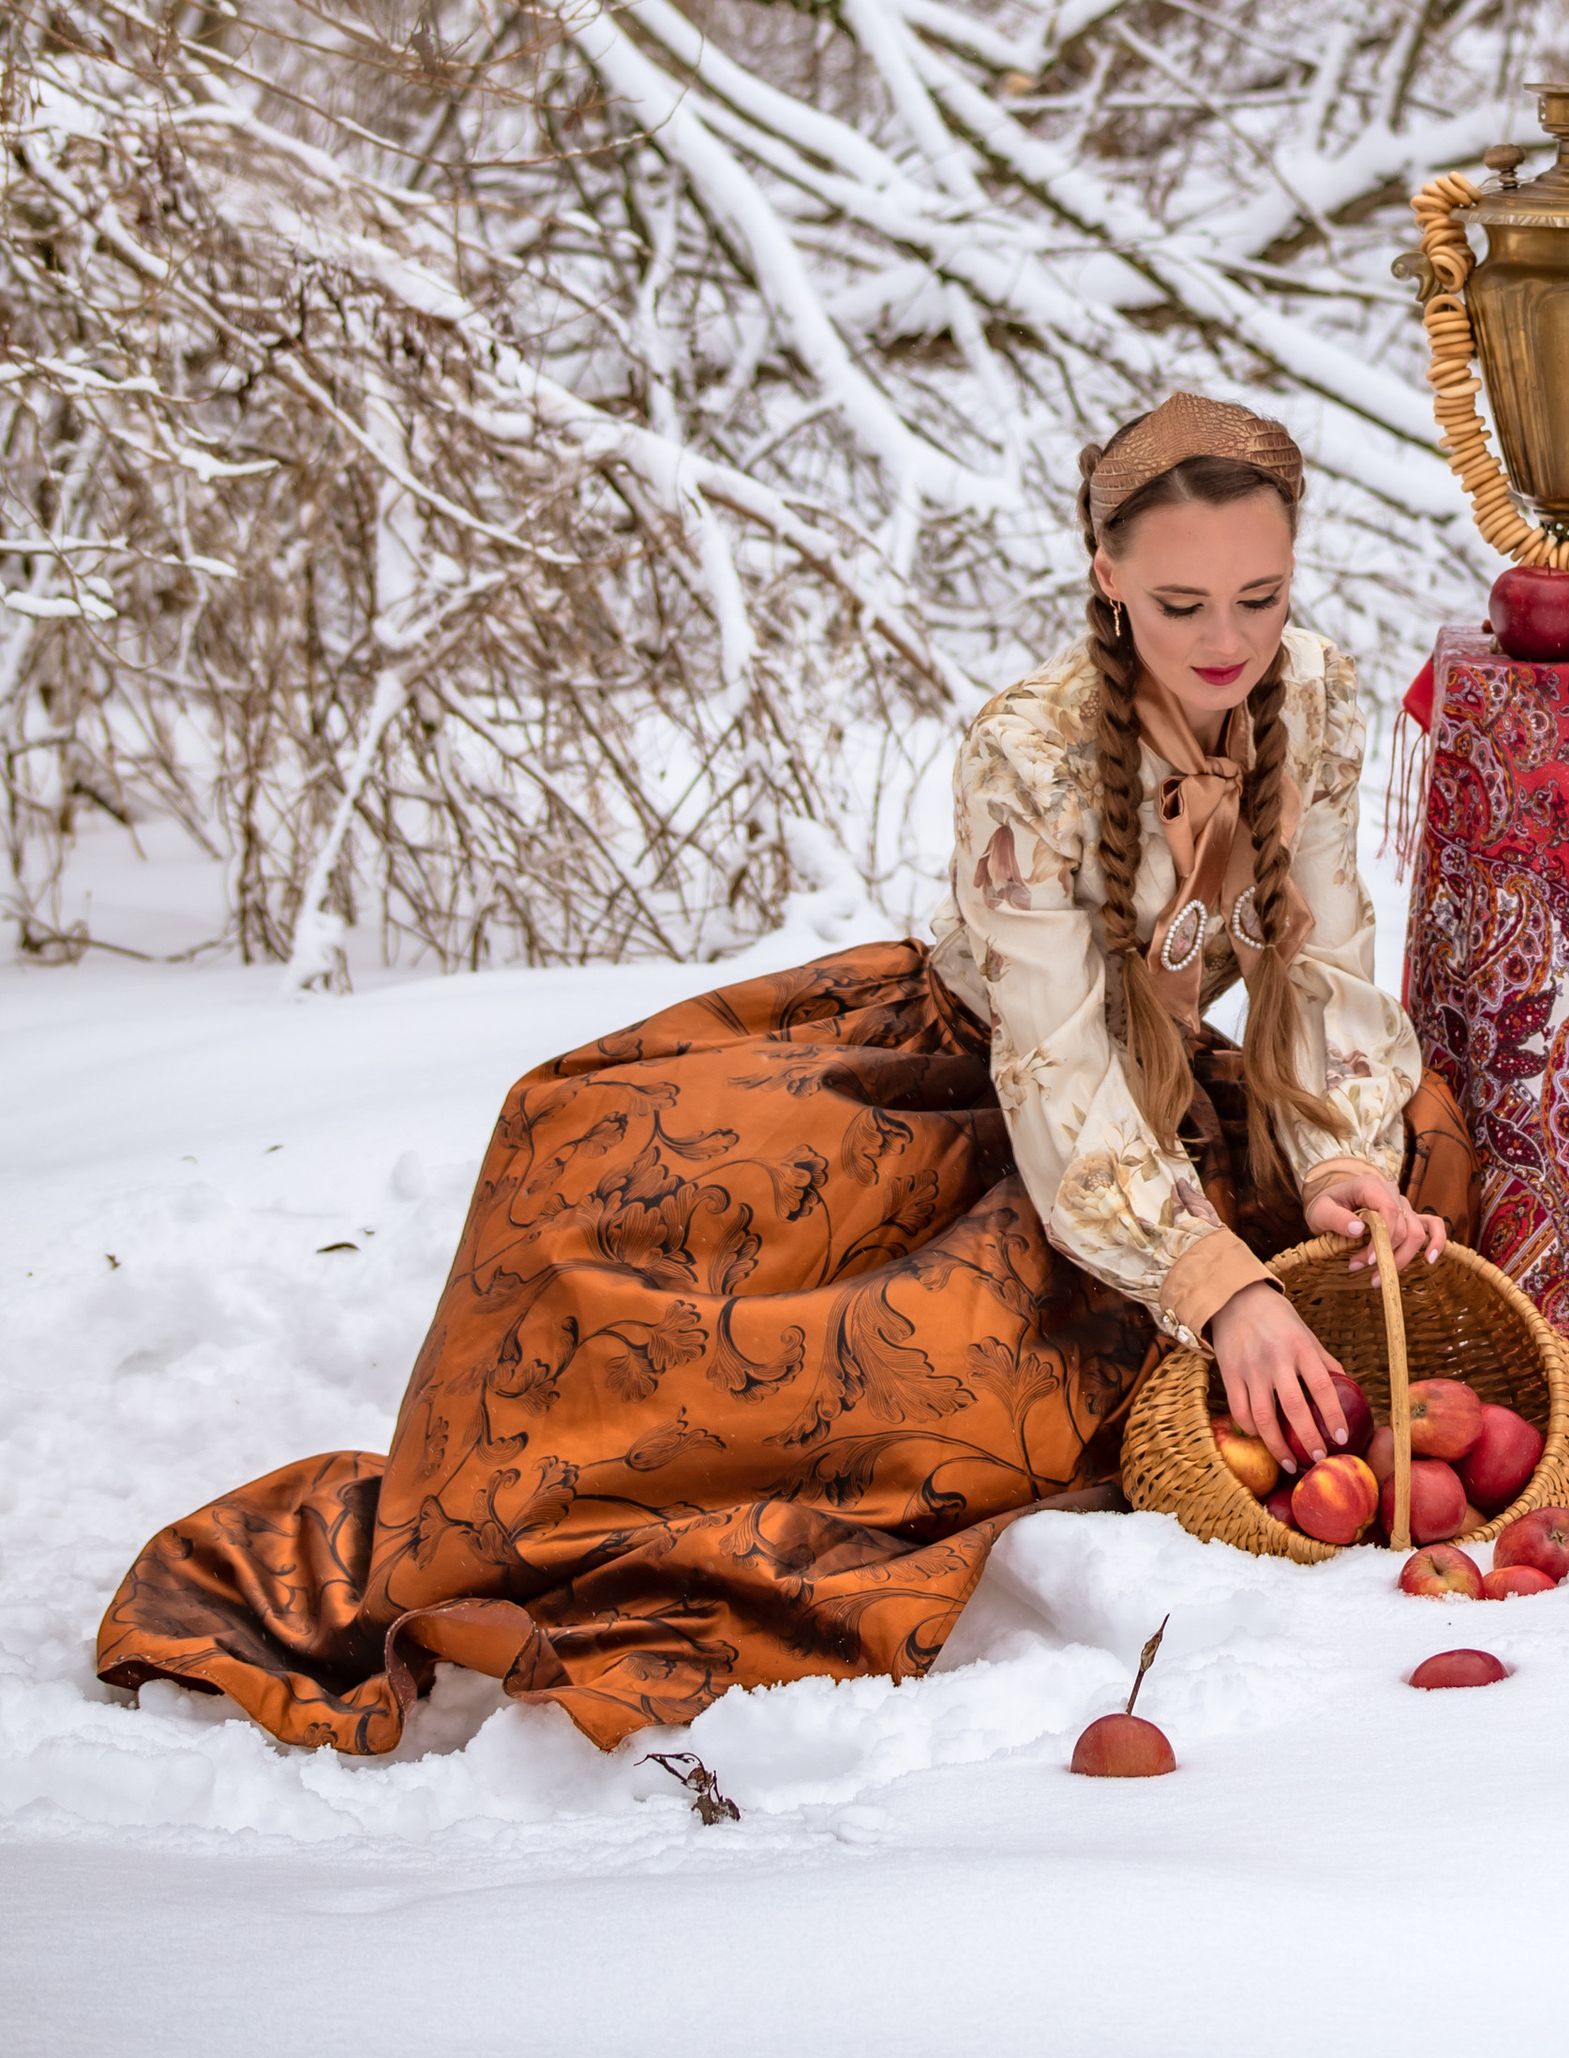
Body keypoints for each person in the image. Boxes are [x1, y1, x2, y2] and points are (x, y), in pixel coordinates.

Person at [95, 394, 1473, 1753]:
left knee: (1388, 1202)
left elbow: (1322, 964)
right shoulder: (1029, 746)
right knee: (782, 1341)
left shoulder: (1322, 698)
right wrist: (1213, 1278)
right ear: (1105, 575)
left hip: (1168, 1097)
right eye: (1181, 606)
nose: (1227, 640)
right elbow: (1054, 1063)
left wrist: (1340, 1159)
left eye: (1261, 596)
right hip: (996, 1094)